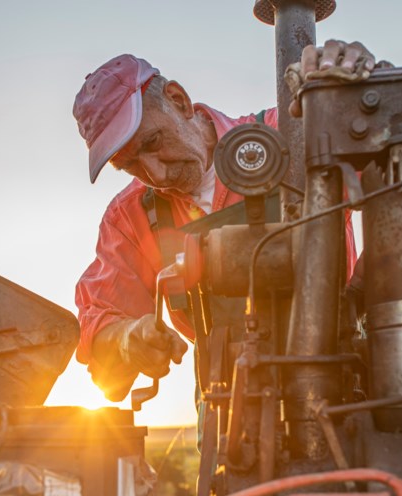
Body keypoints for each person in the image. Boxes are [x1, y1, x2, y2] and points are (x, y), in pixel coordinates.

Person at [72, 42, 374, 402]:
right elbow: (98, 327)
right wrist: (126, 339)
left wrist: (358, 95)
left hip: (340, 385)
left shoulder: (295, 134)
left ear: (178, 100)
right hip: (226, 406)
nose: (155, 172)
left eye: (153, 141)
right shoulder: (130, 217)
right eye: (131, 165)